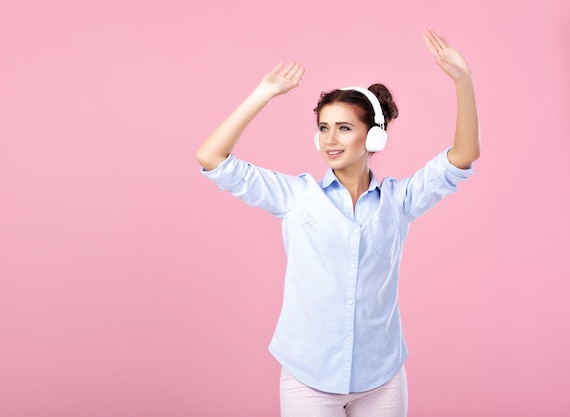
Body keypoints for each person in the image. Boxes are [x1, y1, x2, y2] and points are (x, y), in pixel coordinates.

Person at [195, 29, 479, 417]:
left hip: (382, 378)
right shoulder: (295, 197)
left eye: (344, 128)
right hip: (308, 378)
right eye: (324, 128)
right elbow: (212, 157)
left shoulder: (399, 201)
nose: (330, 139)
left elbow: (463, 155)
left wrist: (463, 80)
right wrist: (264, 93)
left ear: (374, 138)